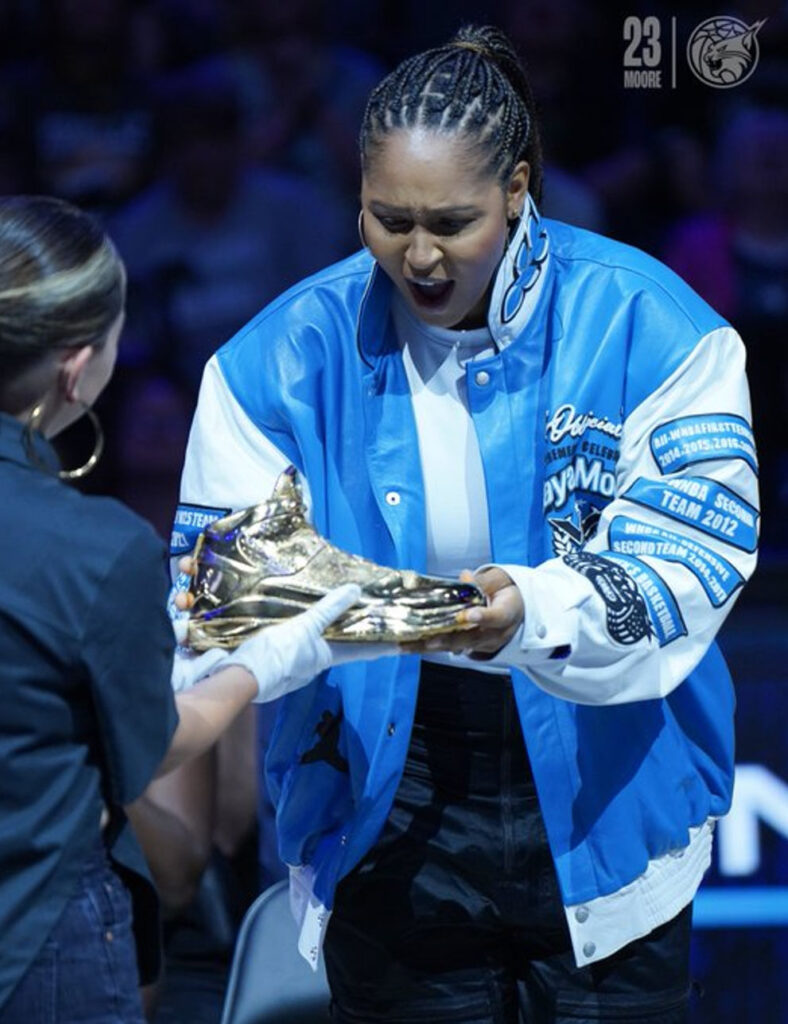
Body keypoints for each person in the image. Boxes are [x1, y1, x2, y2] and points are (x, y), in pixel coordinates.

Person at [174, 25, 759, 1023]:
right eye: (387, 218)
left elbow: (689, 559)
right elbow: (230, 602)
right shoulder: (276, 359)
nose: (419, 253)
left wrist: (524, 607)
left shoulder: (652, 323)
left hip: (606, 780)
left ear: (520, 189)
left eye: (451, 220)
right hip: (385, 784)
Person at [0, 194, 364, 1023]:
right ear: (78, 369)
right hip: (28, 946)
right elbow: (155, 745)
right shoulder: (95, 548)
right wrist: (266, 660)